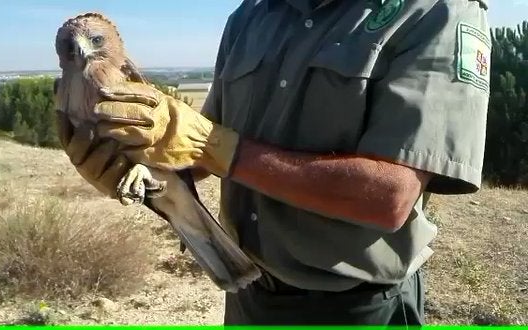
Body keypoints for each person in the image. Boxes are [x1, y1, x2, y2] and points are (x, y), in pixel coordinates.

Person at [56, 0, 491, 325]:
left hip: (352, 305)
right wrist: (138, 173)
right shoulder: (251, 16)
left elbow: (389, 198)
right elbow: (198, 146)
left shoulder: (435, 12)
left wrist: (215, 146)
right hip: (248, 292)